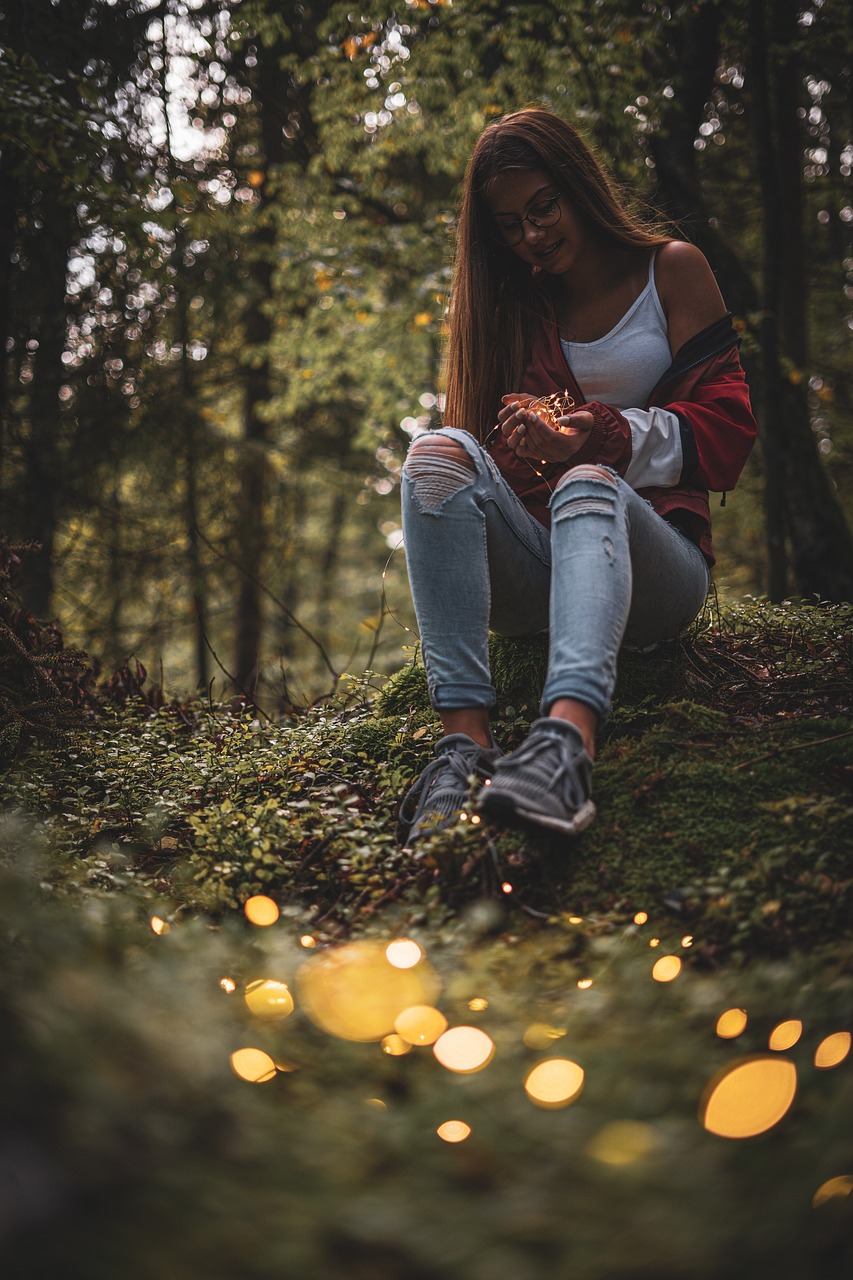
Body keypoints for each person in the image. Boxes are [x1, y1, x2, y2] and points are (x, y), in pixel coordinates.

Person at [397, 108, 756, 844]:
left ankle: (565, 745)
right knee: (433, 453)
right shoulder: (513, 306)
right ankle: (462, 748)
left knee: (586, 481)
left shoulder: (672, 269)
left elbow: (728, 434)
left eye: (543, 207)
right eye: (508, 224)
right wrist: (524, 439)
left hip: (658, 569)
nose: (530, 235)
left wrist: (601, 436)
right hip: (539, 572)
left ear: (579, 187)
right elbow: (482, 483)